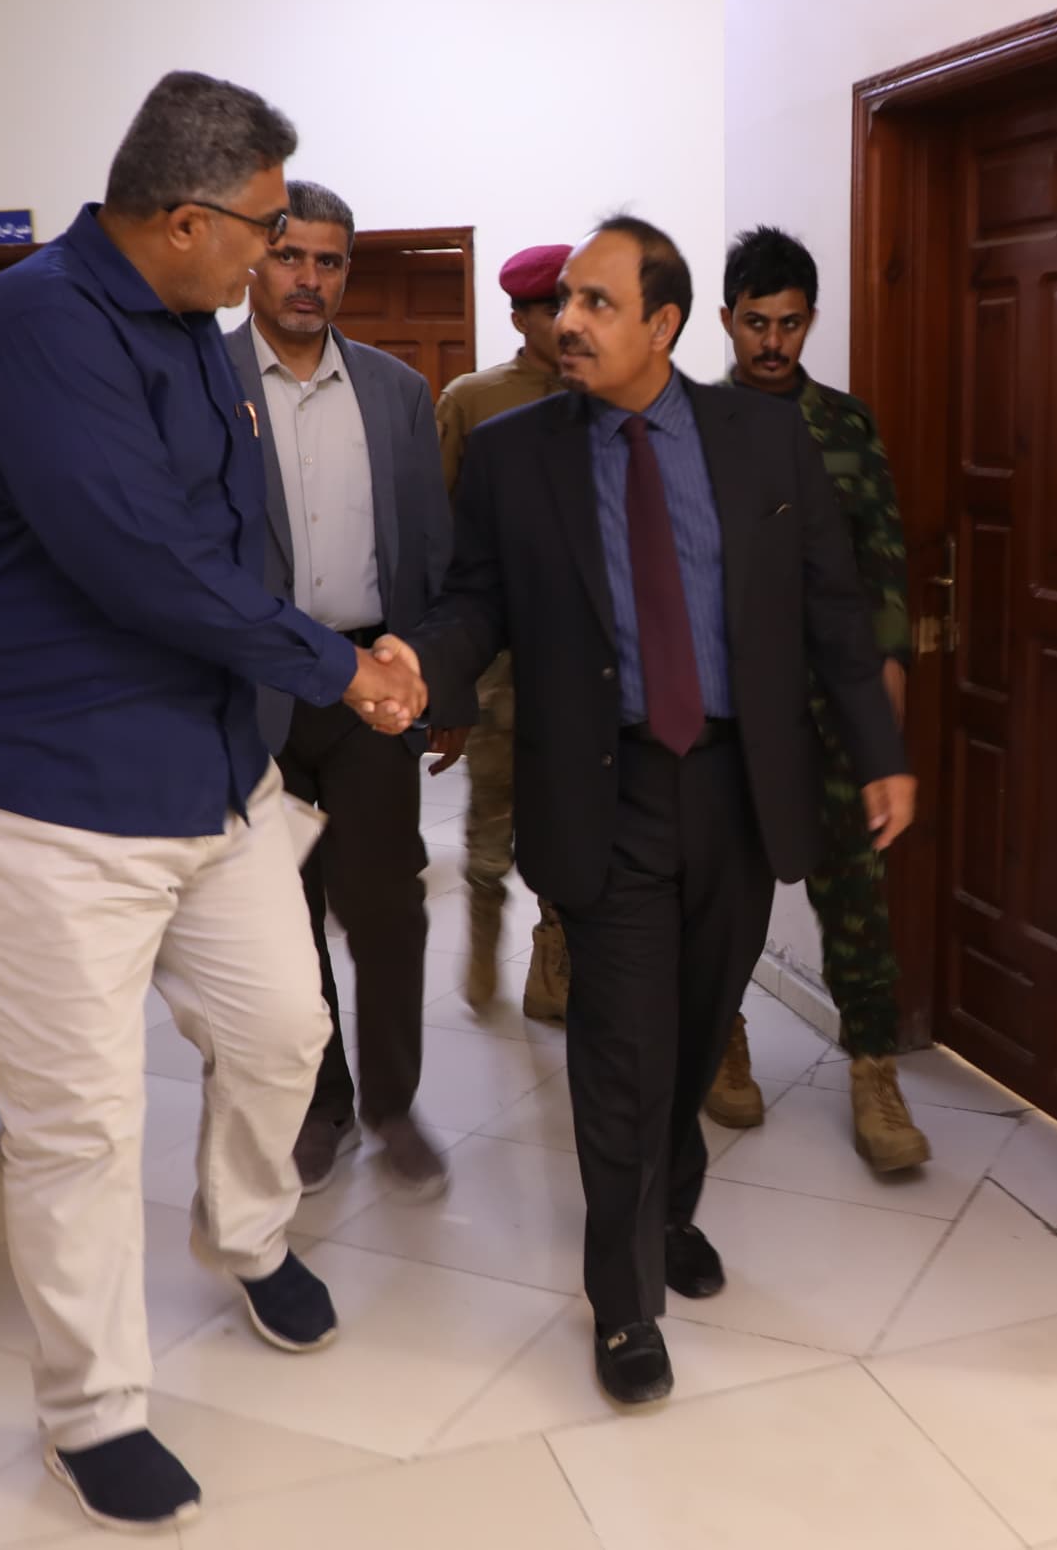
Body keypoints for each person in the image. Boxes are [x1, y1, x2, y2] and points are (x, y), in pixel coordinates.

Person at [0, 72, 417, 1533]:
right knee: (81, 1120)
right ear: (185, 219)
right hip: (41, 791)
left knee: (284, 1029)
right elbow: (138, 557)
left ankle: (243, 1233)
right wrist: (338, 668)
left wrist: (329, 659)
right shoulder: (39, 323)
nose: (276, 255)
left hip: (207, 767)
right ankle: (92, 1411)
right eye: (263, 229)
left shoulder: (195, 324)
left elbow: (232, 546)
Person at [384, 216, 915, 1404]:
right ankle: (624, 1299)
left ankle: (669, 1207)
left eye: (597, 303)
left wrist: (880, 749)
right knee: (621, 1048)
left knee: (693, 1023)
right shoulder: (516, 454)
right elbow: (476, 601)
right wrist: (423, 665)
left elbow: (832, 607)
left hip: (738, 783)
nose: (567, 321)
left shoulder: (763, 439)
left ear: (664, 324)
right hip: (603, 784)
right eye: (565, 299)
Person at [223, 177, 465, 1199]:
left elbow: (432, 554)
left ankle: (393, 1104)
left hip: (371, 687)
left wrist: (443, 690)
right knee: (281, 917)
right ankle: (321, 1102)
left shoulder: (398, 392)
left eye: (328, 261)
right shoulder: (199, 379)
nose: (308, 278)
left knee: (388, 909)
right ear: (256, 260)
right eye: (290, 255)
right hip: (252, 692)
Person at [705, 226, 929, 1172]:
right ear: (727, 319)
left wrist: (890, 666)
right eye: (756, 323)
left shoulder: (845, 425)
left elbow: (884, 551)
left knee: (855, 887)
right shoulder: (696, 425)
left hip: (835, 697)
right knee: (724, 884)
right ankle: (722, 1040)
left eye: (790, 324)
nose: (772, 343)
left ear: (812, 322)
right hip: (734, 700)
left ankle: (875, 1072)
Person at [432, 242, 575, 1021]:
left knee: (571, 812)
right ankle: (485, 922)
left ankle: (553, 957)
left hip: (581, 654)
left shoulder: (608, 394)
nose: (568, 320)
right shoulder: (474, 399)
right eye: (552, 307)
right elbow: (439, 529)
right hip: (499, 653)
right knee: (493, 807)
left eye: (578, 302)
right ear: (520, 318)